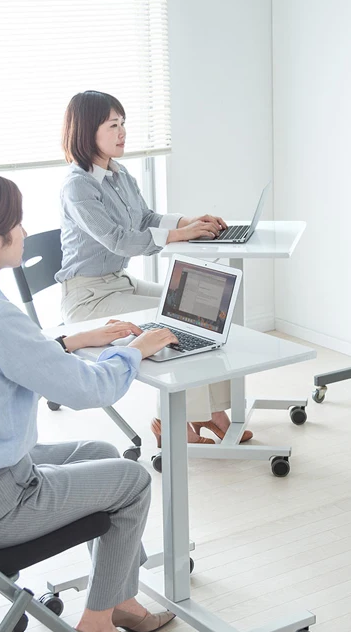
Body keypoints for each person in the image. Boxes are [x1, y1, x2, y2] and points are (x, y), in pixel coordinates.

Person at [0, 172, 180, 632]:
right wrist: (135, 350)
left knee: (99, 453)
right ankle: (97, 628)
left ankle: (120, 598)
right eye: (17, 224)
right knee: (133, 480)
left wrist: (72, 341)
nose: (26, 232)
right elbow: (87, 390)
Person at [57, 90, 251, 445]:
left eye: (123, 123)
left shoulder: (119, 174)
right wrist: (180, 234)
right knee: (180, 317)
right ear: (87, 132)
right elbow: (117, 238)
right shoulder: (77, 187)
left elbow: (145, 218)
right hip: (88, 298)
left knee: (199, 310)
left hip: (119, 282)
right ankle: (179, 424)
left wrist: (189, 221)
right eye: (113, 125)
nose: (122, 132)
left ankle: (209, 414)